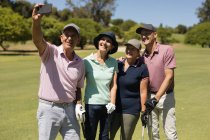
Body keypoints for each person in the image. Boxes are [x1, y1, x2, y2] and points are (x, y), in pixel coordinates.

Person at [32, 4, 85, 140]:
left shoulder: (80, 62)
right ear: (61, 37)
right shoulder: (50, 51)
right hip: (49, 109)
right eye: (67, 35)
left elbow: (78, 88)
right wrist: (36, 23)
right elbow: (38, 40)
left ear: (78, 40)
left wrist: (78, 104)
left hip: (70, 110)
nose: (70, 38)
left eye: (74, 36)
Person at [136, 23, 178, 140]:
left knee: (170, 133)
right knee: (152, 134)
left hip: (165, 97)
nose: (143, 36)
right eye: (142, 34)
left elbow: (169, 76)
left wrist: (156, 98)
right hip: (149, 97)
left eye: (147, 33)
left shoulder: (167, 50)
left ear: (155, 35)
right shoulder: (142, 56)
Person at [110, 39, 149, 140]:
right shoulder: (117, 64)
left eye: (133, 49)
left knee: (125, 138)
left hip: (131, 110)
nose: (129, 51)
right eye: (128, 48)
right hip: (113, 108)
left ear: (138, 53)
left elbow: (143, 91)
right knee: (107, 136)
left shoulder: (142, 68)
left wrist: (144, 111)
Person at [84, 32, 118, 140]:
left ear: (112, 46)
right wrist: (78, 104)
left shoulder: (113, 62)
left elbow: (113, 85)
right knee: (90, 136)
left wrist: (112, 103)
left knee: (104, 137)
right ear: (98, 42)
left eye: (108, 41)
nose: (105, 42)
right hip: (91, 106)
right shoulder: (86, 61)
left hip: (107, 107)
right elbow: (78, 83)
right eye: (103, 39)